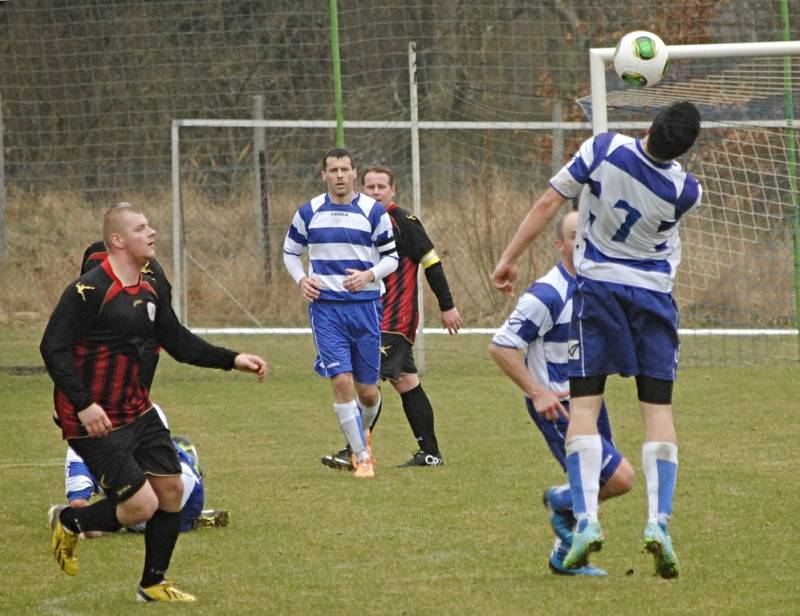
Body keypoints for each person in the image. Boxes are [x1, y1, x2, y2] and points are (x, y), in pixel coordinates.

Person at [491, 101, 702, 579]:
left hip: (599, 293)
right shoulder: (687, 190)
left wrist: (508, 258)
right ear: (686, 149)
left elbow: (548, 204)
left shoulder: (604, 148)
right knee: (659, 414)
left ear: (648, 126)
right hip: (653, 299)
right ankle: (659, 524)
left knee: (585, 407)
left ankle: (586, 519)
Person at [41, 202, 267, 602]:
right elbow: (52, 348)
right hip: (95, 417)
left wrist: (232, 359)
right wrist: (83, 404)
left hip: (137, 408)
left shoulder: (150, 285)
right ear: (117, 240)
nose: (152, 232)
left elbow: (177, 341)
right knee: (140, 505)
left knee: (171, 493)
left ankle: (152, 584)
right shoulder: (89, 289)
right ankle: (70, 521)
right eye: (142, 227)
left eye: (151, 226)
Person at [489, 210, 634, 576]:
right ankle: (561, 501)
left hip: (590, 400)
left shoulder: (598, 285)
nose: (582, 241)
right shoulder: (547, 294)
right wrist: (538, 393)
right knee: (620, 479)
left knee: (603, 482)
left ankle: (565, 555)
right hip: (560, 408)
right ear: (560, 244)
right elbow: (501, 346)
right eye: (573, 235)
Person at [321, 165, 461, 470]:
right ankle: (431, 453)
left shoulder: (403, 221)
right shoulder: (359, 219)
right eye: (369, 187)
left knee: (367, 383)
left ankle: (353, 450)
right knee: (407, 382)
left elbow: (432, 263)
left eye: (380, 187)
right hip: (365, 314)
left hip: (394, 319)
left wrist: (447, 305)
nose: (374, 192)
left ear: (392, 190)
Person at [282, 148, 399, 479]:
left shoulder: (373, 212)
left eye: (344, 169)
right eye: (332, 170)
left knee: (368, 391)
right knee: (342, 380)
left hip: (365, 307)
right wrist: (302, 279)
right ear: (324, 175)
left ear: (353, 173)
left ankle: (363, 439)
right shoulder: (309, 212)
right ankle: (361, 457)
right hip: (327, 308)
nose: (339, 175)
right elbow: (290, 253)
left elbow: (391, 258)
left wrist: (368, 276)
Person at [58, 405, 229, 537]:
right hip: (174, 499)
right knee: (180, 461)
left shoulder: (80, 444)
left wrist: (92, 522)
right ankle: (187, 460)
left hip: (135, 508)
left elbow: (78, 504)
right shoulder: (143, 414)